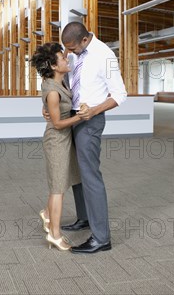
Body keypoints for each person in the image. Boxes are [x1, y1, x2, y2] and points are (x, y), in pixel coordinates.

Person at [59, 21, 127, 254]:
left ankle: (101, 238)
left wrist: (94, 111)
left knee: (90, 176)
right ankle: (84, 218)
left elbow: (120, 94)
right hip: (73, 116)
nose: (69, 53)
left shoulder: (105, 56)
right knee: (77, 173)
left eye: (73, 49)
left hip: (90, 121)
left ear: (85, 40)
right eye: (66, 49)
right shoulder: (76, 52)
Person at [30, 42, 85, 251]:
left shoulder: (54, 79)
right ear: (54, 66)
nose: (66, 59)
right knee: (57, 189)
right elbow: (58, 123)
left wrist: (67, 50)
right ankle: (54, 234)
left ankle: (46, 212)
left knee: (62, 182)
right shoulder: (53, 91)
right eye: (62, 58)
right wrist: (80, 116)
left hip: (65, 140)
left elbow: (62, 56)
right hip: (56, 140)